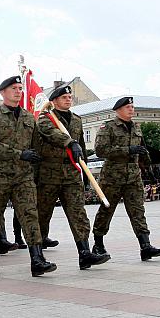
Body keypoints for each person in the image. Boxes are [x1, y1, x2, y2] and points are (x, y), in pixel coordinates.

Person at [0, 75, 57, 277]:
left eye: (20, 88)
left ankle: (37, 259)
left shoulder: (28, 117)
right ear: (3, 93)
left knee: (30, 215)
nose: (18, 91)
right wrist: (19, 154)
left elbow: (37, 145)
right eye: (13, 88)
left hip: (23, 176)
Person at [35, 84, 109, 269]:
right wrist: (70, 142)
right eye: (64, 97)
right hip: (48, 175)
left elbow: (81, 147)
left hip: (71, 174)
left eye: (70, 97)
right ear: (54, 101)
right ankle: (38, 252)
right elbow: (52, 134)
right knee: (42, 215)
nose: (68, 99)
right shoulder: (46, 118)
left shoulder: (76, 119)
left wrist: (84, 172)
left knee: (78, 214)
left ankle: (84, 253)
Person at [91, 96, 160, 261]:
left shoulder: (136, 127)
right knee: (106, 211)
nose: (131, 109)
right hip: (112, 177)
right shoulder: (108, 127)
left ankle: (145, 246)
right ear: (118, 110)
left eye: (132, 107)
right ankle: (98, 244)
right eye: (128, 107)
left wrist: (149, 169)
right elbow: (101, 150)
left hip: (133, 177)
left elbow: (142, 149)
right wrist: (127, 150)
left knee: (138, 211)